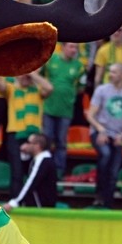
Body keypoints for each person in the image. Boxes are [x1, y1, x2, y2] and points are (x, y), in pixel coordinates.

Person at [86, 63, 122, 208]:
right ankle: (99, 194)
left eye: (114, 72)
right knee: (106, 154)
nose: (110, 75)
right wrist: (100, 129)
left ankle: (108, 202)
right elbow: (90, 115)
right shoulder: (101, 90)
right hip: (99, 132)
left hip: (117, 135)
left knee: (114, 171)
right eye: (110, 72)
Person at [0, 71, 53, 198]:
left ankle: (30, 201)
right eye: (22, 75)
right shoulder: (11, 89)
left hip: (34, 137)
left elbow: (49, 88)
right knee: (17, 172)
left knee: (33, 171)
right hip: (15, 135)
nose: (24, 77)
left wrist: (32, 74)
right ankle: (15, 201)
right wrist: (18, 71)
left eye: (26, 76)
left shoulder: (38, 91)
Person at [42, 42, 85, 175]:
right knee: (46, 139)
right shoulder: (50, 60)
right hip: (48, 107)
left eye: (76, 48)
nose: (74, 50)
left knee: (61, 142)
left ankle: (59, 171)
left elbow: (81, 88)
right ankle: (44, 169)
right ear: (63, 47)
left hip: (66, 109)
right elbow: (39, 77)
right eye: (71, 47)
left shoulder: (79, 66)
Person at [2, 133, 58, 210]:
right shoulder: (39, 159)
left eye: (28, 142)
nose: (25, 145)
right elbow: (25, 171)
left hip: (41, 206)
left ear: (37, 146)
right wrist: (23, 153)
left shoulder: (43, 161)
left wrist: (14, 202)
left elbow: (30, 183)